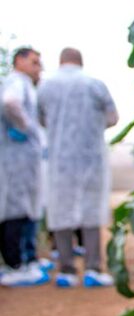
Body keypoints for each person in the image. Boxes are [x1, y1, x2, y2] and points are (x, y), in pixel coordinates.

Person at [38, 47, 119, 288]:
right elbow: (113, 118)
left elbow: (40, 119)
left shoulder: (46, 87)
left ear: (61, 61)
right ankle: (93, 269)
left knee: (60, 211)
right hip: (90, 157)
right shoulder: (95, 85)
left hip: (59, 159)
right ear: (80, 62)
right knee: (91, 211)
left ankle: (66, 270)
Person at [0, 47, 50, 286]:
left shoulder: (23, 83)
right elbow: (10, 102)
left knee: (27, 208)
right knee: (16, 210)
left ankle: (27, 260)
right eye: (34, 62)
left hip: (21, 158)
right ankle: (15, 265)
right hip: (16, 159)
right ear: (19, 61)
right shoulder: (16, 82)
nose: (38, 67)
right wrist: (26, 129)